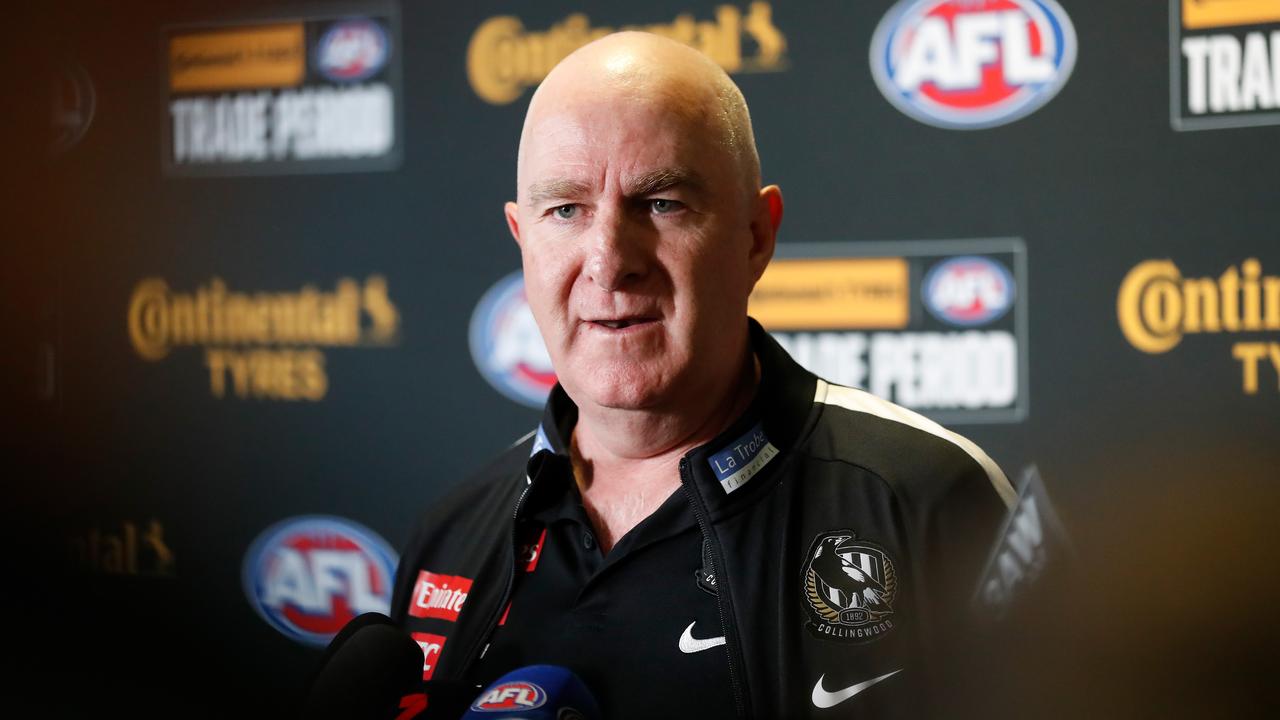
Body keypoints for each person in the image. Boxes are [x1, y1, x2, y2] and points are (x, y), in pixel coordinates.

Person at [391, 32, 1014, 719]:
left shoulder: (928, 498)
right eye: (565, 210)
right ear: (522, 238)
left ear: (755, 236)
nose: (608, 262)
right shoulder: (452, 534)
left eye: (660, 203)